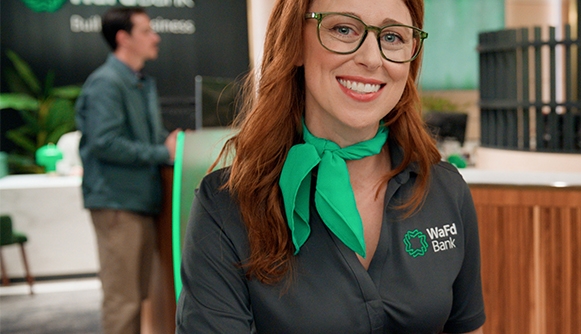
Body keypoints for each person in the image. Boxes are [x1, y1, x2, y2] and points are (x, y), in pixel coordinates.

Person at [174, 0, 486, 332]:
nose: (371, 58)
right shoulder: (225, 208)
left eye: (393, 37)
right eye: (343, 29)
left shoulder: (445, 190)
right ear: (295, 44)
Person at [74, 7, 179, 334]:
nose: (155, 37)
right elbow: (104, 142)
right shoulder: (106, 83)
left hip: (139, 202)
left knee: (137, 298)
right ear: (123, 37)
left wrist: (171, 144)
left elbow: (144, 137)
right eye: (147, 30)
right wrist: (163, 150)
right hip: (118, 203)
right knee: (124, 301)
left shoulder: (139, 81)